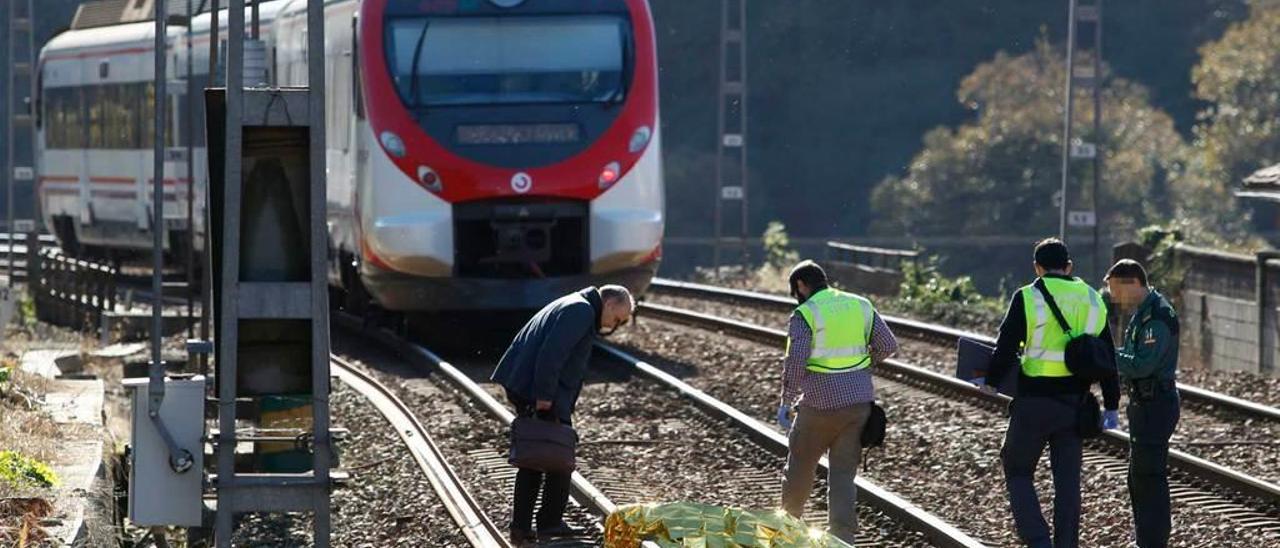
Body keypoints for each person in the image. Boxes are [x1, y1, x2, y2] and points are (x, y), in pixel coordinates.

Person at [980, 238, 1120, 548]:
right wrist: (1111, 407)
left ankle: (1038, 540)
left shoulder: (1028, 296)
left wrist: (990, 381)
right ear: (1069, 266)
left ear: (1037, 268)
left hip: (1033, 403)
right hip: (1075, 406)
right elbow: (1106, 358)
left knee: (1017, 470)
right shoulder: (1093, 299)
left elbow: (1005, 347)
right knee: (1067, 484)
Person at [490, 285, 635, 544]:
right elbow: (551, 354)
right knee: (557, 453)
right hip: (539, 390)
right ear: (610, 304)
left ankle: (525, 526)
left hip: (531, 385)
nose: (614, 327)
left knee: (535, 456)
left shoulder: (576, 305)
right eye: (617, 319)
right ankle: (547, 523)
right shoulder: (580, 311)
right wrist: (545, 396)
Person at [776, 260, 898, 544]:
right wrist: (864, 363)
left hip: (819, 406)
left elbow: (795, 362)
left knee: (800, 468)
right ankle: (843, 538)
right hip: (858, 405)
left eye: (796, 290)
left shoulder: (805, 314)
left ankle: (788, 531)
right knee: (843, 475)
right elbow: (888, 345)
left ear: (801, 286)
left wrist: (786, 400)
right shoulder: (860, 304)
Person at [1105, 259, 1180, 548]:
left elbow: (1143, 365)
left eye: (1115, 289)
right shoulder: (1143, 313)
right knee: (1138, 477)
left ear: (1133, 282)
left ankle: (1152, 542)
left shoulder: (1157, 316)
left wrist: (1108, 355)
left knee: (1149, 477)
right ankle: (1146, 540)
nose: (1113, 296)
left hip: (1155, 404)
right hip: (1145, 404)